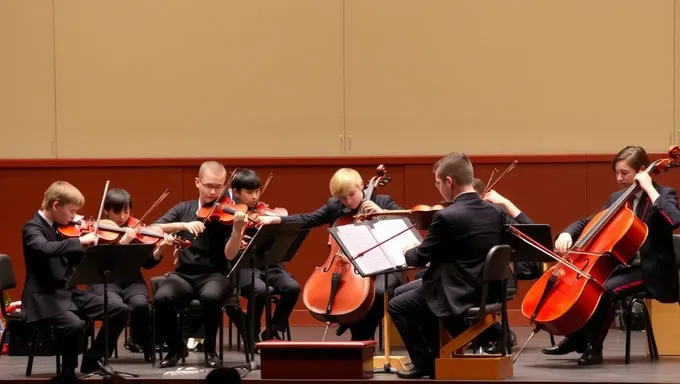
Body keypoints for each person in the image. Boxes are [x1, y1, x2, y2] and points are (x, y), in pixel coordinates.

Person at [543, 146, 680, 365]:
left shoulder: (663, 195)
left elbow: (674, 219)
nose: (619, 178)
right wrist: (567, 232)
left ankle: (593, 348)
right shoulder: (618, 198)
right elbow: (589, 221)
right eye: (616, 173)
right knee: (590, 283)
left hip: (653, 272)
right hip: (624, 268)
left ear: (642, 170)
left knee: (606, 290)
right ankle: (577, 338)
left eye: (624, 173)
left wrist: (649, 189)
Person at [387, 153, 505, 379]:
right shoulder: (495, 212)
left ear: (449, 181)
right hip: (485, 290)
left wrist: (407, 250)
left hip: (455, 291)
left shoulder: (447, 216)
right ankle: (436, 357)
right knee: (405, 292)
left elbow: (419, 257)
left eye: (438, 182)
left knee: (397, 305)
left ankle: (425, 364)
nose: (438, 187)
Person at [257, 168, 404, 341]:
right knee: (353, 296)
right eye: (342, 198)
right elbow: (308, 219)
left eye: (351, 194)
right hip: (352, 267)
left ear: (361, 186)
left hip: (385, 265)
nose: (348, 202)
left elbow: (406, 223)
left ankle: (359, 333)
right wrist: (279, 219)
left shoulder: (382, 201)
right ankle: (358, 335)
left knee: (378, 293)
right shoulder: (334, 206)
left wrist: (382, 213)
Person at [21, 181, 129, 376]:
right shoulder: (32, 228)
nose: (74, 217)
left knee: (119, 310)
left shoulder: (63, 227)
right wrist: (78, 241)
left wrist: (87, 248)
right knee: (74, 324)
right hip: (44, 296)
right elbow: (45, 249)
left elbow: (70, 258)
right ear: (56, 205)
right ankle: (67, 372)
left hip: (67, 291)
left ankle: (92, 359)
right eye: (71, 211)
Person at [151, 161, 246, 368]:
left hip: (215, 275)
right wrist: (183, 225)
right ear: (197, 183)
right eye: (208, 185)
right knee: (161, 298)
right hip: (183, 275)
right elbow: (153, 228)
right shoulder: (183, 208)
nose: (213, 192)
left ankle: (210, 349)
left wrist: (238, 231)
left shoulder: (227, 214)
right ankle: (177, 348)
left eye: (219, 187)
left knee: (210, 297)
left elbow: (229, 255)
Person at [87, 188, 174, 362]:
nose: (122, 217)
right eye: (117, 212)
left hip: (131, 280)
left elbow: (147, 263)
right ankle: (101, 354)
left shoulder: (135, 228)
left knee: (140, 305)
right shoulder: (97, 230)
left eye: (126, 211)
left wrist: (161, 249)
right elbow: (97, 262)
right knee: (116, 308)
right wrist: (123, 243)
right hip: (105, 281)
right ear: (106, 211)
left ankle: (146, 343)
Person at [227, 169, 299, 342]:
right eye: (249, 192)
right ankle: (251, 334)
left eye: (257, 191)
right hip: (243, 265)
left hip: (268, 262)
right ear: (236, 192)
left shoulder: (262, 211)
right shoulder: (231, 214)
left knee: (292, 288)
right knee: (259, 291)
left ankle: (273, 329)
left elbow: (283, 214)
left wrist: (271, 218)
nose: (254, 197)